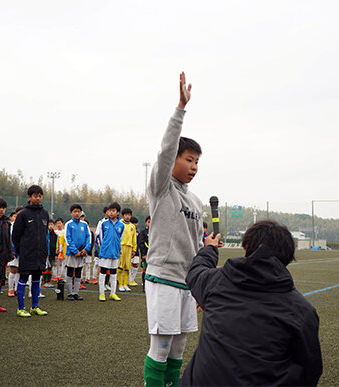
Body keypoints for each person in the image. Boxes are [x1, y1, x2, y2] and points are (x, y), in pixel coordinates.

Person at [180, 220, 323, 386]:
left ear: (247, 249)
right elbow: (310, 370)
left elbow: (196, 271)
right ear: (288, 259)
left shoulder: (216, 283)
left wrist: (210, 248)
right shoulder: (302, 310)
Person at [143, 72, 205, 387]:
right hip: (163, 278)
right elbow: (165, 151)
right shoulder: (162, 189)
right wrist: (180, 108)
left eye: (197, 162)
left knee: (179, 347)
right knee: (162, 346)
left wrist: (200, 282)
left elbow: (197, 245)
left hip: (186, 282)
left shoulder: (195, 200)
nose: (194, 166)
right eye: (189, 159)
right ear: (175, 161)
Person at [11, 185, 49, 317]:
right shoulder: (23, 214)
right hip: (27, 253)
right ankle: (21, 308)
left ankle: (34, 307)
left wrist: (45, 250)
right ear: (29, 197)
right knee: (23, 278)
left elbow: (45, 234)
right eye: (35, 196)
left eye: (40, 196)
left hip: (40, 253)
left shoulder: (45, 213)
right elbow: (16, 235)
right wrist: (22, 249)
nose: (38, 198)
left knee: (37, 279)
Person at [97, 202, 124, 302]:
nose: (111, 212)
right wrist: (103, 249)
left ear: (117, 213)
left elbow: (119, 238)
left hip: (115, 253)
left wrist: (118, 249)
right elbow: (100, 238)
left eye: (113, 211)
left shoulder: (121, 225)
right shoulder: (103, 224)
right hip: (105, 253)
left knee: (113, 273)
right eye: (109, 210)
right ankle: (102, 294)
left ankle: (113, 293)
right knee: (103, 273)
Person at [64, 204, 92, 301]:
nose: (77, 213)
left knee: (79, 272)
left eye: (78, 211)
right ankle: (69, 293)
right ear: (71, 213)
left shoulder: (84, 225)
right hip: (72, 253)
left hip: (82, 253)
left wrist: (85, 249)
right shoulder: (68, 224)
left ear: (81, 213)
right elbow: (67, 239)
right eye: (75, 211)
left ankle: (76, 293)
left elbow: (89, 238)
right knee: (70, 272)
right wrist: (75, 251)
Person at [118, 208, 137, 292]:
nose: (128, 216)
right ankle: (120, 284)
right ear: (122, 216)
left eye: (129, 215)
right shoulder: (119, 224)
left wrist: (134, 249)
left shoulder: (132, 226)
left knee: (127, 267)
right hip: (121, 247)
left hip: (129, 248)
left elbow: (134, 239)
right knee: (120, 267)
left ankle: (125, 284)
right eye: (126, 215)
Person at [7, 207, 23, 297]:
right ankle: (10, 289)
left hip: (23, 251)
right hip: (14, 250)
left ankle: (17, 289)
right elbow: (11, 238)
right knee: (13, 269)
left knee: (19, 271)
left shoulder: (25, 225)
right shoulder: (12, 225)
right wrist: (13, 250)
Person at [92, 207, 108, 284]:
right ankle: (94, 278)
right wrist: (100, 245)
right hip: (100, 245)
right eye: (108, 212)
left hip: (109, 246)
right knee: (97, 263)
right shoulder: (101, 222)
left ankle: (106, 281)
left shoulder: (113, 222)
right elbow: (97, 234)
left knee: (106, 264)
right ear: (104, 213)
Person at [138, 216, 150, 292]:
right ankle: (144, 286)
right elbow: (141, 243)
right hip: (146, 255)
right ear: (145, 222)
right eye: (149, 222)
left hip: (154, 255)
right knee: (145, 270)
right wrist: (144, 254)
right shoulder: (143, 232)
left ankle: (151, 286)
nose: (150, 223)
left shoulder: (156, 232)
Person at [128, 216, 140, 287]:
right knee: (129, 265)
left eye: (136, 223)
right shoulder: (128, 230)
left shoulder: (137, 232)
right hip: (129, 250)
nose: (135, 224)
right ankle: (129, 280)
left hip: (136, 250)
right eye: (134, 223)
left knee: (135, 265)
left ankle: (132, 279)